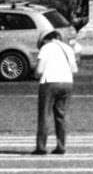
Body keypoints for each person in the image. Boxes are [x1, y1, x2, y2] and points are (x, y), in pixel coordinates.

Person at [33, 27, 78, 155]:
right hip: (67, 82)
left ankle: (41, 147)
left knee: (44, 115)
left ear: (46, 39)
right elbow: (74, 69)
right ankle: (61, 146)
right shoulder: (68, 49)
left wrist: (35, 74)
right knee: (61, 116)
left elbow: (39, 70)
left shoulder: (46, 48)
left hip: (49, 82)